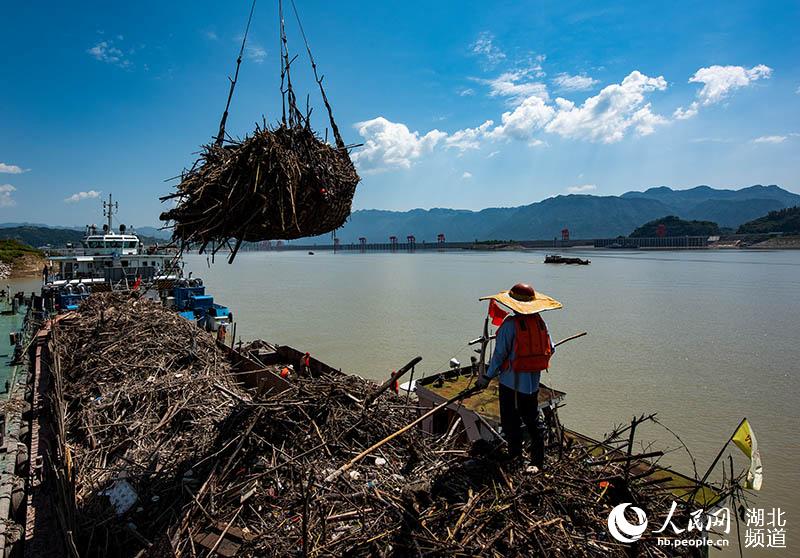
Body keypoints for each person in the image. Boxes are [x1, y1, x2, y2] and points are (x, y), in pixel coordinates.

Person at [475, 283, 561, 469]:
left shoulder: (509, 325)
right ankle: (537, 461)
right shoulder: (540, 323)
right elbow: (551, 349)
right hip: (532, 385)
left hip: (511, 384)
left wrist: (486, 377)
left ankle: (515, 457)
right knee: (533, 421)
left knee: (510, 422)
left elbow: (498, 357)